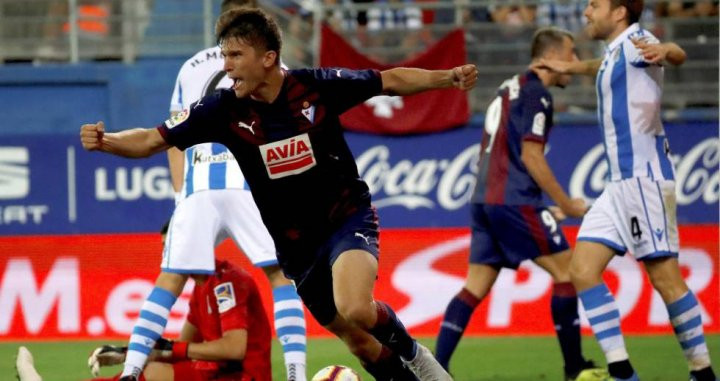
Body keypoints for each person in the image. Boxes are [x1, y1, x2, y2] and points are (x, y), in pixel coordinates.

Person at [79, 7, 478, 381]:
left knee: (354, 306)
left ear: (267, 58)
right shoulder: (221, 110)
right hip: (296, 247)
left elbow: (387, 80)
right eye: (224, 55)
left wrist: (447, 78)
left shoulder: (315, 87)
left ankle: (417, 357)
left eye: (235, 55)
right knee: (359, 342)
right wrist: (107, 142)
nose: (226, 67)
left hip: (345, 217)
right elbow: (152, 139)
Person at [534, 1, 717, 380]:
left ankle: (703, 373)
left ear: (618, 12)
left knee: (665, 277)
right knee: (582, 269)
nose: (586, 11)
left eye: (594, 5)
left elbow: (674, 54)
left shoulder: (638, 41)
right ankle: (622, 372)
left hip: (643, 180)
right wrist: (570, 67)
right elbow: (601, 67)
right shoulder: (615, 51)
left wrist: (666, 50)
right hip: (619, 185)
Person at [433, 27, 607, 381]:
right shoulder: (536, 94)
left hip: (483, 200)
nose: (574, 62)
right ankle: (575, 368)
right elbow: (532, 156)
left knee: (475, 286)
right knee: (568, 273)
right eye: (571, 53)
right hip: (513, 199)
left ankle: (433, 370)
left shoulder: (507, 88)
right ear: (553, 56)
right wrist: (565, 203)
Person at [162, 1, 307, 380]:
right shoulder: (265, 69)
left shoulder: (193, 66)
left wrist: (182, 195)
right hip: (244, 187)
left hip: (216, 185)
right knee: (281, 276)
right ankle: (297, 373)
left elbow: (172, 136)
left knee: (176, 276)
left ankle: (133, 367)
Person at [15, 223, 273, 381]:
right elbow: (178, 349)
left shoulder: (226, 282)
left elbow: (234, 348)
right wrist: (129, 355)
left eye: (169, 247)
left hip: (243, 377)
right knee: (149, 370)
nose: (165, 256)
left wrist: (167, 349)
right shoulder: (199, 287)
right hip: (215, 373)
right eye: (163, 248)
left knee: (154, 374)